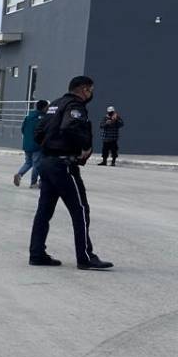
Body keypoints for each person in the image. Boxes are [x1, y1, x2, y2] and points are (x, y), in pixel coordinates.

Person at [29, 76, 113, 269]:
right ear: (84, 90)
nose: (91, 94)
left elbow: (38, 132)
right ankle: (85, 257)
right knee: (80, 210)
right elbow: (70, 127)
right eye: (90, 90)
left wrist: (49, 146)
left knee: (44, 211)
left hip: (47, 163)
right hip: (63, 164)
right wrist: (83, 146)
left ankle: (37, 254)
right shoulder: (75, 106)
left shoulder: (54, 105)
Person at [14, 100, 48, 187]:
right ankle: (33, 183)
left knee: (28, 162)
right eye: (47, 107)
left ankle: (19, 174)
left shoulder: (29, 116)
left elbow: (23, 129)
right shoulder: (43, 118)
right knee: (36, 164)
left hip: (26, 144)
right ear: (44, 108)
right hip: (37, 145)